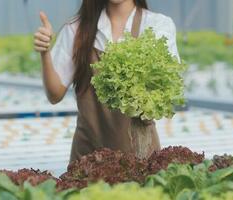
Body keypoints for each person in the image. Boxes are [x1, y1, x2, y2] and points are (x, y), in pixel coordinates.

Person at [34, 0, 180, 162]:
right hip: (88, 160)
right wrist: (45, 53)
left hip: (142, 157)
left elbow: (165, 91)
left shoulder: (157, 25)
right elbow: (55, 94)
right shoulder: (76, 29)